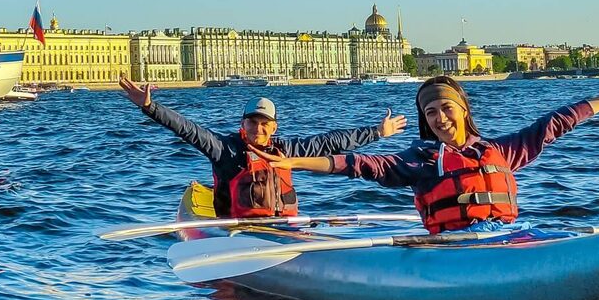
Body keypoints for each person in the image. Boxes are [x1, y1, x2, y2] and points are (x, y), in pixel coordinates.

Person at [271, 69, 599, 234]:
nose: (440, 117)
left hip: (505, 236)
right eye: (431, 112)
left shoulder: (500, 151)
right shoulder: (422, 159)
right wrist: (294, 161)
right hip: (456, 247)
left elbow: (558, 121)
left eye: (446, 108)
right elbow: (361, 164)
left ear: (463, 109)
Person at [118, 74, 408, 218]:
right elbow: (187, 130)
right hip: (236, 231)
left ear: (273, 127)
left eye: (264, 123)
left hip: (281, 230)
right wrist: (150, 107)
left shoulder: (286, 151)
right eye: (252, 122)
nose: (258, 128)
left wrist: (377, 132)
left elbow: (331, 142)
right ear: (243, 125)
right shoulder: (225, 150)